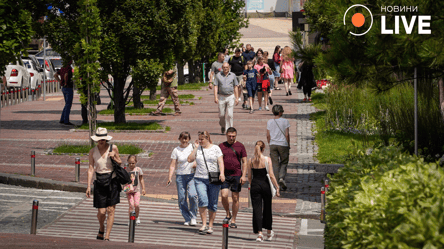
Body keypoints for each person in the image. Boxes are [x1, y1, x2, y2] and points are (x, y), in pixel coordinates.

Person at [86, 127, 122, 241]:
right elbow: (91, 169)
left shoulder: (113, 148)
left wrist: (114, 157)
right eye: (100, 139)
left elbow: (120, 162)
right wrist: (88, 186)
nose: (102, 141)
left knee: (111, 210)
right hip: (99, 181)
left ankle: (107, 236)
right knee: (101, 212)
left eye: (103, 139)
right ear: (96, 140)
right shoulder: (92, 151)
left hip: (112, 180)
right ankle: (101, 227)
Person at [187, 131, 225, 235]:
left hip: (213, 179)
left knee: (213, 203)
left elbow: (221, 162)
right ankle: (204, 224)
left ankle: (210, 225)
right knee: (203, 200)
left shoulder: (216, 148)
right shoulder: (198, 149)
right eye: (199, 139)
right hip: (200, 178)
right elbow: (189, 159)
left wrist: (222, 173)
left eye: (202, 139)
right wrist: (195, 148)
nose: (200, 141)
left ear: (207, 138)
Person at [244, 140, 280, 242]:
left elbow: (249, 177)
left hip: (255, 185)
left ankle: (259, 234)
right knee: (267, 208)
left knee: (257, 209)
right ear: (263, 149)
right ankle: (269, 232)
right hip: (265, 186)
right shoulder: (267, 160)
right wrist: (277, 187)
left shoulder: (250, 161)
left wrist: (252, 185)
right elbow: (271, 175)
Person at [167, 131, 198, 226]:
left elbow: (198, 157)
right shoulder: (176, 150)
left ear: (189, 139)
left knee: (193, 195)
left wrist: (196, 148)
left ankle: (193, 216)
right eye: (183, 138)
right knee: (181, 198)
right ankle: (187, 217)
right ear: (179, 139)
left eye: (186, 138)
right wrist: (169, 177)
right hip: (180, 176)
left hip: (191, 175)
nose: (184, 140)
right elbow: (172, 165)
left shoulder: (192, 147)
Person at [219, 127, 247, 228]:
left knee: (235, 197)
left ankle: (234, 219)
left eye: (233, 136)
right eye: (230, 136)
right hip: (225, 175)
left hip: (236, 174)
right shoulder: (221, 146)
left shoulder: (240, 146)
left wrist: (244, 176)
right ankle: (228, 213)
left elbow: (244, 161)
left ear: (236, 135)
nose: (231, 138)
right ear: (226, 135)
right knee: (224, 195)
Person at [267, 105, 290, 191]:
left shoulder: (269, 122)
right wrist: (288, 144)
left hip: (273, 144)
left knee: (275, 164)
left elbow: (268, 135)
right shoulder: (285, 121)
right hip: (283, 144)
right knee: (284, 162)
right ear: (280, 112)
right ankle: (281, 178)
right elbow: (287, 134)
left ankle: (276, 184)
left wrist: (270, 142)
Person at [213, 62, 239, 134]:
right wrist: (215, 97)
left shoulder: (233, 75)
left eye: (227, 67)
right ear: (222, 67)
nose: (225, 69)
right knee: (221, 115)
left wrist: (237, 98)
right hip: (221, 97)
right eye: (224, 67)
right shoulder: (218, 75)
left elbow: (235, 86)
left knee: (230, 114)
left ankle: (230, 130)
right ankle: (223, 126)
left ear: (229, 67)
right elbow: (215, 86)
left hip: (230, 96)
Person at [124, 155, 145, 224]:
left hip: (137, 190)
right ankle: (130, 218)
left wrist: (143, 188)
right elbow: (123, 180)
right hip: (129, 191)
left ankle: (137, 216)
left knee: (137, 204)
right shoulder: (126, 170)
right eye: (129, 163)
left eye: (133, 163)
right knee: (131, 205)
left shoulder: (138, 169)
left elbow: (141, 179)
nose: (131, 165)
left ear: (136, 162)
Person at [54, 60, 74, 125]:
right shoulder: (68, 68)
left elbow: (55, 75)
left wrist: (60, 81)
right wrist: (65, 82)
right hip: (68, 87)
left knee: (66, 104)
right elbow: (66, 75)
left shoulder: (62, 68)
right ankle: (66, 120)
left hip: (64, 88)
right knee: (68, 104)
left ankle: (62, 119)